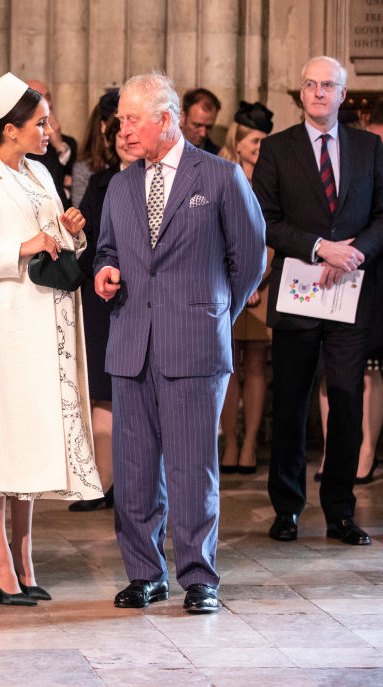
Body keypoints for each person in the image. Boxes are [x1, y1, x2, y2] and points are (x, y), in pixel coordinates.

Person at [95, 71, 265, 614]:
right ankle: (145, 575)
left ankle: (199, 578)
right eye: (120, 120)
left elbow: (250, 258)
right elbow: (106, 250)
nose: (122, 130)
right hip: (131, 345)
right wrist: (105, 271)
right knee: (135, 473)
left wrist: (214, 315)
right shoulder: (120, 185)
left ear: (165, 120)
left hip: (195, 346)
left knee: (193, 469)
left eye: (131, 120)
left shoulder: (219, 176)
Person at [0, 72, 103, 607]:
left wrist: (72, 231)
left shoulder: (40, 172)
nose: (48, 130)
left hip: (43, 322)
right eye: (40, 122)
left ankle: (24, 554)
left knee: (30, 440)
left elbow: (54, 245)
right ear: (10, 129)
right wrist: (20, 246)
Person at [254, 57, 383, 547]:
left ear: (343, 94)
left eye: (328, 85)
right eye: (310, 85)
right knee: (291, 404)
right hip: (299, 292)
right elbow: (263, 219)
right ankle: (287, 509)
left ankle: (340, 511)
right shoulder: (277, 149)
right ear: (301, 93)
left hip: (349, 295)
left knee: (345, 400)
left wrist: (354, 252)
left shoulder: (367, 147)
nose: (319, 92)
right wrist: (321, 247)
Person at [312, 94, 383, 486]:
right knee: (326, 368)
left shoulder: (381, 158)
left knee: (369, 366)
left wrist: (357, 246)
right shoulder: (325, 161)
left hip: (370, 269)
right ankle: (331, 452)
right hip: (325, 269)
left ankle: (365, 453)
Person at [71, 113, 136, 511]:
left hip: (142, 297)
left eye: (131, 132)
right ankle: (102, 482)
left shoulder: (161, 180)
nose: (124, 140)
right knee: (102, 391)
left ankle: (131, 486)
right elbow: (87, 241)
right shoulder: (100, 183)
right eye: (117, 135)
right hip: (100, 299)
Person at [217, 101, 275, 475]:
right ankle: (231, 443)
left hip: (263, 283)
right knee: (229, 364)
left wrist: (255, 279)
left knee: (255, 362)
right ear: (237, 141)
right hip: (226, 283)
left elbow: (275, 233)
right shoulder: (220, 174)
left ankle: (250, 443)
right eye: (254, 140)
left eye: (264, 141)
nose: (259, 147)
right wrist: (237, 280)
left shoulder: (272, 179)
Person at [25, 79, 78, 208]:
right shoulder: (23, 148)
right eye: (40, 99)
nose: (48, 103)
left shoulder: (69, 143)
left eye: (48, 97)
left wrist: (59, 146)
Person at [69, 89, 118, 208]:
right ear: (103, 126)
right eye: (116, 129)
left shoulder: (137, 161)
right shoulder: (86, 167)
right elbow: (81, 212)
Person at [181, 87, 222, 154]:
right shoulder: (163, 147)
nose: (203, 134)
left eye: (208, 127)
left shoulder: (218, 155)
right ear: (183, 117)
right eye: (197, 125)